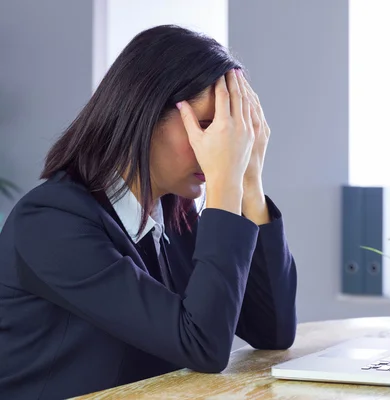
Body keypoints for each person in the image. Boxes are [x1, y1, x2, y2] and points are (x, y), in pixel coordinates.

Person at [0, 25, 297, 399]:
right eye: (207, 126)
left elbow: (273, 331)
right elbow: (202, 346)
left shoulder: (173, 213)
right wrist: (224, 185)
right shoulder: (50, 223)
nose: (222, 147)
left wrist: (250, 181)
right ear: (146, 116)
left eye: (231, 133)